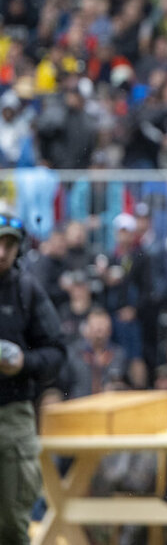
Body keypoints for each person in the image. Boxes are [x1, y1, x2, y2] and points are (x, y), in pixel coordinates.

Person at [0, 212, 66, 544]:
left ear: (18, 248)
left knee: (12, 523)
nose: (0, 251)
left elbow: (57, 353)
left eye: (8, 243)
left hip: (12, 414)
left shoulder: (26, 290)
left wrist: (24, 362)